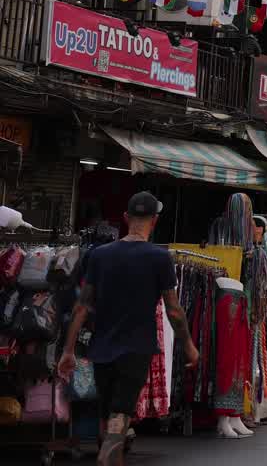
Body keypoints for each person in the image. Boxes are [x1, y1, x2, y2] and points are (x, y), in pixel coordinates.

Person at [58, 192, 199, 466]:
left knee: (108, 414)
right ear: (155, 221)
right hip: (136, 349)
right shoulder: (159, 258)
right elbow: (173, 309)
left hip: (102, 349)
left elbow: (82, 307)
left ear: (125, 218)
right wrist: (189, 346)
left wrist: (68, 351)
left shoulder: (99, 255)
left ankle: (110, 453)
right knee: (120, 414)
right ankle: (107, 457)